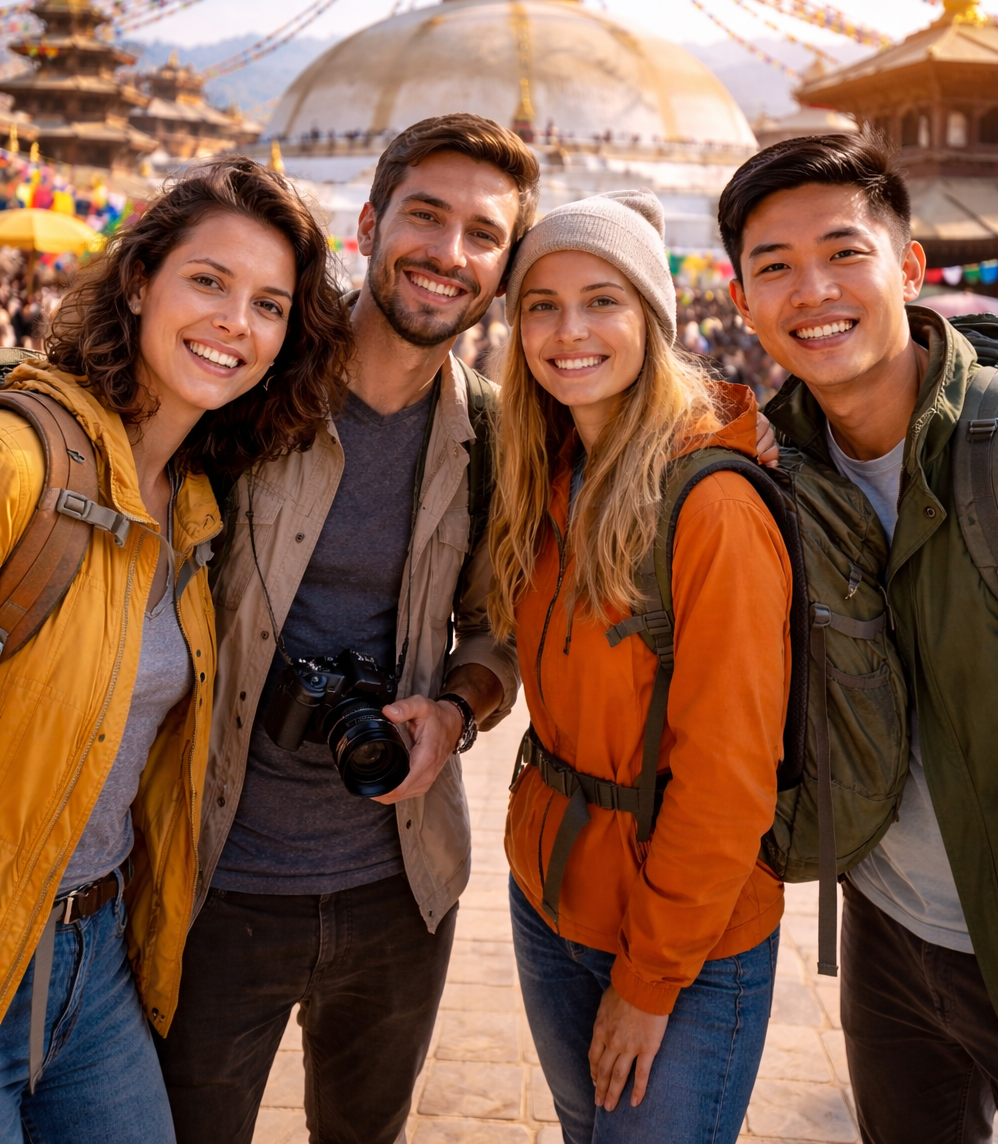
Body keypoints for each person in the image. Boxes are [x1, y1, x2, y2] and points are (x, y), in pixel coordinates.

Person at [158, 114, 537, 1144]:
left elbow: (498, 630)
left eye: (483, 235)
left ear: (502, 270)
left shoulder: (497, 433)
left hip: (398, 885)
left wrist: (456, 709)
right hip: (212, 877)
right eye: (425, 215)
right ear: (369, 223)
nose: (447, 254)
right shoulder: (247, 385)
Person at [0, 156, 352, 1144]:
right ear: (138, 280)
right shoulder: (22, 464)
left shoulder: (195, 509)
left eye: (269, 304)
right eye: (208, 281)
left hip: (96, 959)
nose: (235, 321)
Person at [719, 132, 998, 1144]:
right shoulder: (768, 471)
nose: (813, 290)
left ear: (907, 267)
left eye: (844, 253)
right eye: (774, 266)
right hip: (887, 938)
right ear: (741, 302)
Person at [489, 190, 793, 1144]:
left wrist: (651, 979)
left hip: (685, 939)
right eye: (541, 303)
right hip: (551, 898)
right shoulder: (545, 472)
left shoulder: (708, 505)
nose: (568, 331)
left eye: (602, 301)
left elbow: (729, 777)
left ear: (653, 320)